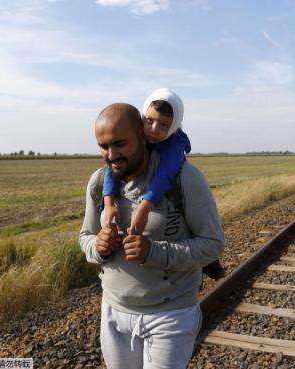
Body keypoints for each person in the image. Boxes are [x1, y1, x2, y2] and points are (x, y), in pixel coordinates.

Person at [79, 102, 225, 369]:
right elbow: (86, 235)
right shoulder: (99, 182)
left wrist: (153, 252)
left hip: (170, 315)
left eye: (120, 144)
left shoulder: (185, 178)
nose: (111, 155)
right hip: (114, 313)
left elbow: (212, 244)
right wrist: (98, 247)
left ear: (143, 136)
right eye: (103, 146)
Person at [102, 88, 225, 280]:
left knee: (188, 221)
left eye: (164, 125)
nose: (154, 130)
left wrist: (143, 209)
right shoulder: (136, 137)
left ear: (174, 125)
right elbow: (111, 168)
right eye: (149, 121)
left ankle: (209, 262)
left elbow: (164, 177)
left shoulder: (174, 147)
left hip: (174, 300)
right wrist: (109, 203)